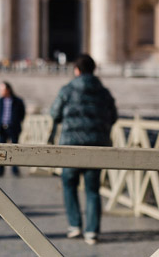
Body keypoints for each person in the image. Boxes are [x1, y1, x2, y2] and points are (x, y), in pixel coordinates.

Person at [49, 54, 117, 245]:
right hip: (97, 146)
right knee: (93, 189)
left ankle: (74, 225)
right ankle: (92, 232)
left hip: (71, 146)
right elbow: (114, 116)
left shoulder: (68, 90)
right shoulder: (104, 92)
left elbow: (54, 113)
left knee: (69, 184)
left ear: (76, 70)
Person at [0, 81, 26, 177]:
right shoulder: (0, 101)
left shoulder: (17, 101)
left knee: (14, 149)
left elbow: (22, 113)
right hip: (2, 128)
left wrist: (16, 122)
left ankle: (15, 170)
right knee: (1, 149)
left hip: (13, 128)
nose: (0, 91)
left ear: (8, 89)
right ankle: (0, 170)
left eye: (2, 89)